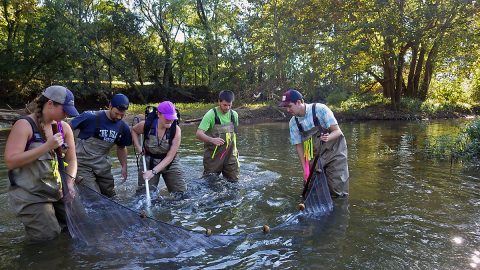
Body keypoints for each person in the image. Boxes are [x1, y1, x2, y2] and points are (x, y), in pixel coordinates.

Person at [4, 85, 79, 242]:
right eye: (64, 110)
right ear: (50, 104)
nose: (66, 115)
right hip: (31, 195)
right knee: (48, 239)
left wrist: (70, 183)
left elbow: (72, 160)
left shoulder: (64, 128)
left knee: (78, 224)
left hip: (56, 191)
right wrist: (46, 147)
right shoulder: (24, 125)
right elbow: (11, 161)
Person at [279, 89, 349, 197]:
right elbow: (299, 146)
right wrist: (305, 170)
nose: (288, 110)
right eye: (285, 107)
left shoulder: (320, 110)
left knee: (337, 189)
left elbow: (337, 132)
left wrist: (328, 137)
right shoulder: (293, 123)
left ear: (298, 102)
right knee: (310, 189)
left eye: (289, 106)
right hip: (312, 152)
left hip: (334, 150)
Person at [70, 93, 132, 197]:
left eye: (122, 114)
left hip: (102, 166)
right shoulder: (90, 117)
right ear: (110, 106)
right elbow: (67, 128)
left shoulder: (123, 127)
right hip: (82, 165)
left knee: (111, 196)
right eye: (117, 113)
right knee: (94, 197)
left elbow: (121, 147)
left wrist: (124, 166)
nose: (119, 117)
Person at [131, 101, 186, 194]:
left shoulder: (176, 130)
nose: (170, 121)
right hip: (149, 160)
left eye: (172, 118)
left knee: (181, 194)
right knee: (143, 195)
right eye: (167, 118)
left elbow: (170, 156)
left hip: (170, 162)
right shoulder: (146, 125)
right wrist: (139, 148)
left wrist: (153, 172)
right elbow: (134, 131)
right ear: (159, 114)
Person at [196, 90, 239, 181]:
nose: (227, 108)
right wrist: (212, 140)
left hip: (231, 157)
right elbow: (199, 134)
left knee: (234, 182)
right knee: (211, 183)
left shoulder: (234, 115)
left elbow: (234, 135)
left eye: (229, 105)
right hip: (213, 158)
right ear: (219, 102)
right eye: (224, 105)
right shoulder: (210, 115)